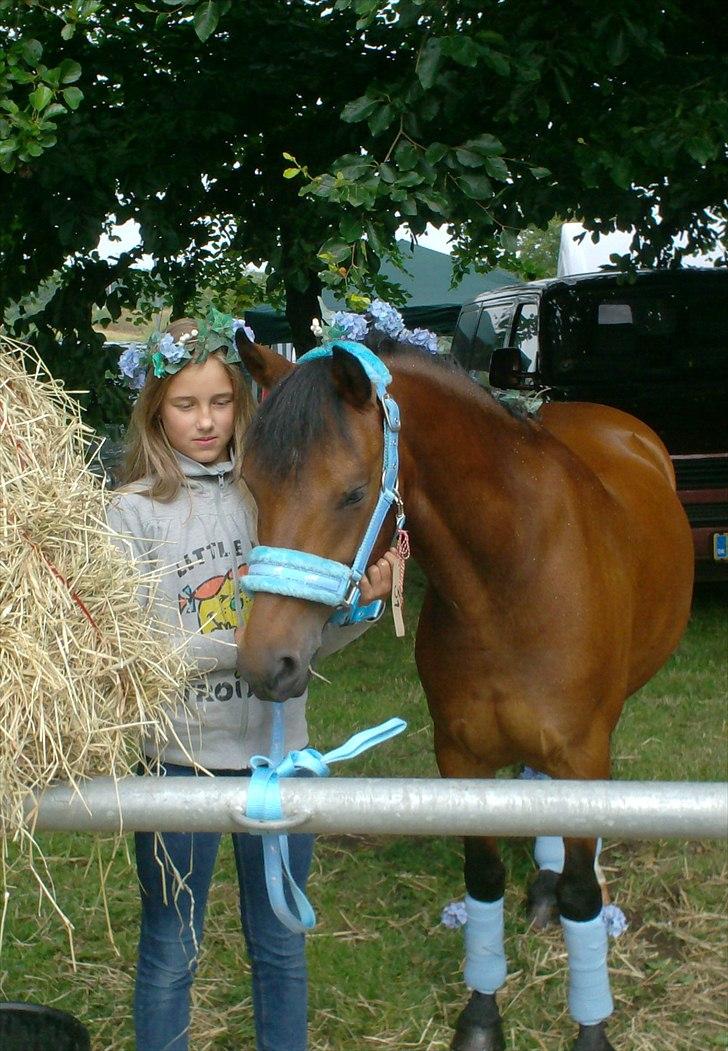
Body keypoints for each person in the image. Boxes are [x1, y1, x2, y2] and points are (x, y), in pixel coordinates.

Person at [108, 313, 395, 1051]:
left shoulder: (267, 491)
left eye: (220, 401)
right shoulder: (132, 513)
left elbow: (301, 642)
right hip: (181, 761)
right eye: (184, 403)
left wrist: (365, 601)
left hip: (277, 756)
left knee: (281, 944)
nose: (205, 421)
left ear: (242, 402)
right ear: (155, 410)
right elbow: (142, 649)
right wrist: (240, 646)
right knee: (172, 944)